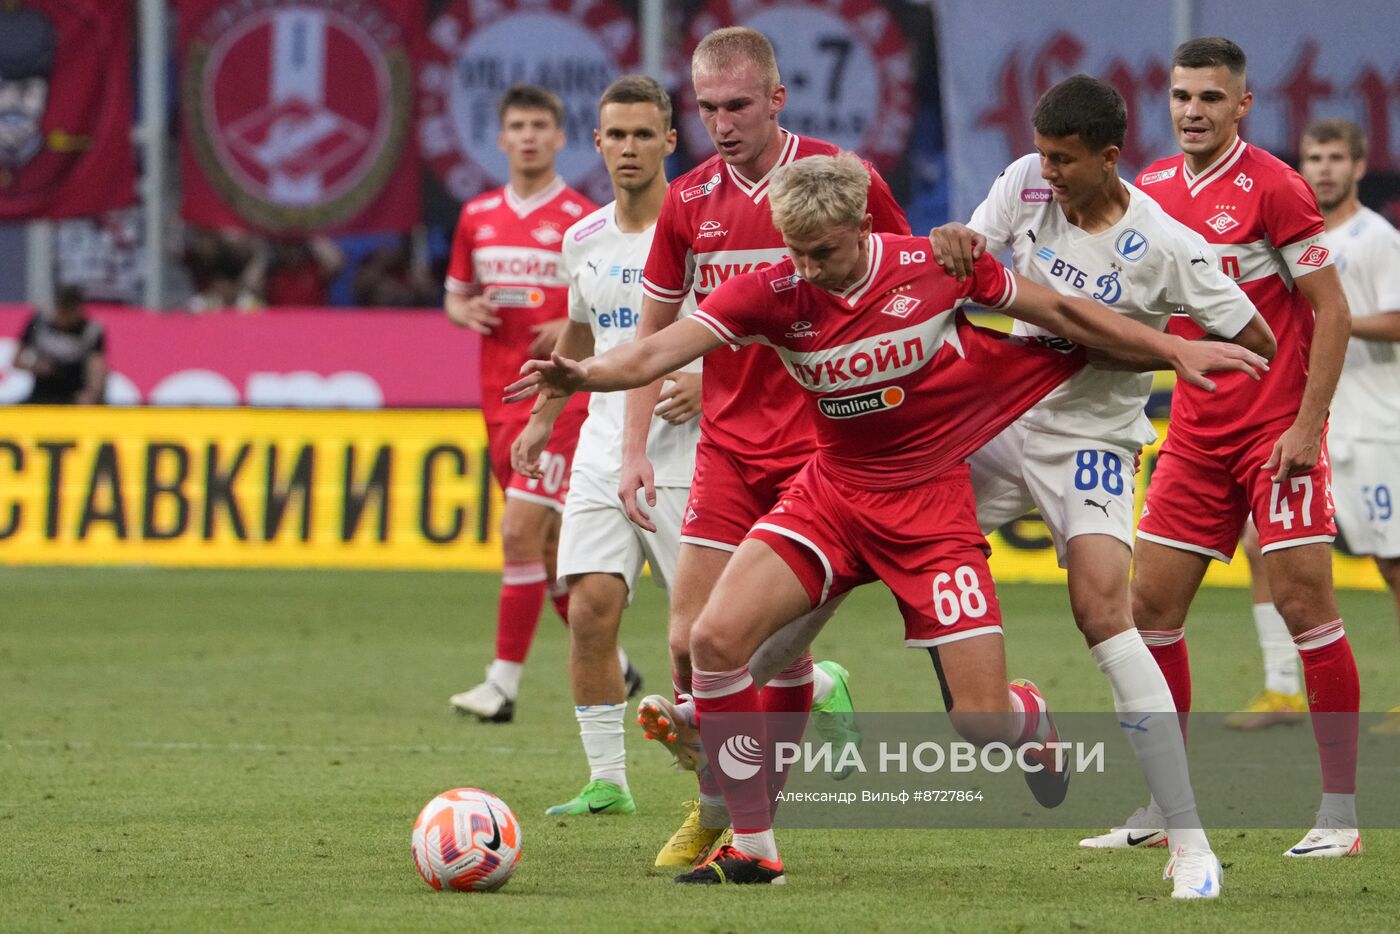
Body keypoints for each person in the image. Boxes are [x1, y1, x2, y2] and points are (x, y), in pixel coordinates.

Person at [504, 153, 1266, 888]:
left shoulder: (932, 269)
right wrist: (584, 375)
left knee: (977, 722)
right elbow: (660, 347)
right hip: (830, 497)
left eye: (823, 252)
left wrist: (1172, 348)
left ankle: (1026, 719)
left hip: (929, 510)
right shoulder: (773, 290)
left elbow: (1062, 312)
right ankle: (754, 844)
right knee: (711, 640)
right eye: (795, 252)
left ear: (864, 226)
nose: (807, 268)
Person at [929, 74, 1276, 881]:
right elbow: (972, 256)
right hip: (1001, 419)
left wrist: (1134, 350)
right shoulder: (1022, 182)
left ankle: (1188, 842)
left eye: (1064, 159)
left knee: (1102, 615)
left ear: (1110, 156)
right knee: (875, 529)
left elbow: (1255, 339)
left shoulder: (1167, 245)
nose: (1046, 172)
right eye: (1042, 154)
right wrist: (955, 240)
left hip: (1091, 438)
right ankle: (806, 686)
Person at [623, 27, 909, 868]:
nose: (721, 122)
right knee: (686, 645)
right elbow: (653, 331)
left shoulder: (840, 182)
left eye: (738, 105)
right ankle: (783, 725)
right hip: (728, 449)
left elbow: (907, 288)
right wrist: (634, 448)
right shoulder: (687, 201)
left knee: (740, 650)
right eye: (707, 108)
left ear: (776, 100)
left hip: (820, 453)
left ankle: (733, 822)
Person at [1090, 37, 1361, 859]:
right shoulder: (1154, 189)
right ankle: (1164, 804)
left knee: (1308, 606)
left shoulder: (1276, 187)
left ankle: (1342, 816)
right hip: (1195, 439)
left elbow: (1332, 311)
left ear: (1242, 105)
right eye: (1180, 97)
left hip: (1274, 438)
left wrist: (1306, 427)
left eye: (1210, 98)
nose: (1192, 112)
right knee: (1148, 614)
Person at [508, 75, 702, 817]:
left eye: (643, 135)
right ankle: (607, 781)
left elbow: (758, 325)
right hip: (600, 444)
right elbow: (580, 341)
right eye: (615, 135)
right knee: (589, 606)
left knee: (699, 638)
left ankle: (806, 691)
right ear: (596, 142)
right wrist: (541, 421)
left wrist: (712, 386)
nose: (628, 148)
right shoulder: (581, 237)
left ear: (668, 142)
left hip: (686, 445)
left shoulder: (701, 228)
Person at [442, 85, 628, 722]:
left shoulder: (583, 220)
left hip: (559, 400)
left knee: (519, 531)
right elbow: (456, 295)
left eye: (538, 126)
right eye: (516, 125)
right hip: (495, 398)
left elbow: (604, 307)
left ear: (558, 138)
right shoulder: (477, 217)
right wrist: (464, 309)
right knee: (549, 554)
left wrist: (570, 328)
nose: (526, 135)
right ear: (501, 139)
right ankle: (616, 660)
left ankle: (501, 685)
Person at [1230, 118, 1400, 736]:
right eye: (1313, 157)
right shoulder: (1289, 238)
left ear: (1358, 167)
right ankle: (1281, 690)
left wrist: (1334, 320)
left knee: (1394, 563)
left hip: (1375, 426)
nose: (1323, 168)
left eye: (1335, 158)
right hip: (1308, 421)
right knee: (1257, 545)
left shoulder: (1376, 238)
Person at [14, 285, 107, 404]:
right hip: (42, 394)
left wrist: (91, 393)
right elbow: (16, 360)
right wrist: (36, 366)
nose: (64, 318)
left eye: (69, 312)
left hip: (75, 395)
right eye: (62, 311)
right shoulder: (40, 322)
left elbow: (97, 367)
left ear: (78, 310)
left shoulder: (91, 330)